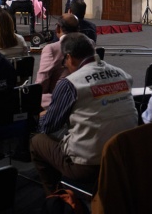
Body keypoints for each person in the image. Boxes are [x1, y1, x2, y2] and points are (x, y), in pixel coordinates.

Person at [30, 33, 137, 194]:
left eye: (64, 63)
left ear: (69, 58)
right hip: (124, 157)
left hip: (87, 166)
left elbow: (48, 127)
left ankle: (55, 197)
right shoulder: (121, 73)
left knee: (37, 140)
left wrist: (40, 117)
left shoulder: (70, 83)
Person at [35, 14, 81, 107]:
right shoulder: (90, 43)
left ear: (58, 28)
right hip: (85, 95)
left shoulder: (51, 49)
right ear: (78, 29)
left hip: (59, 99)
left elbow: (42, 81)